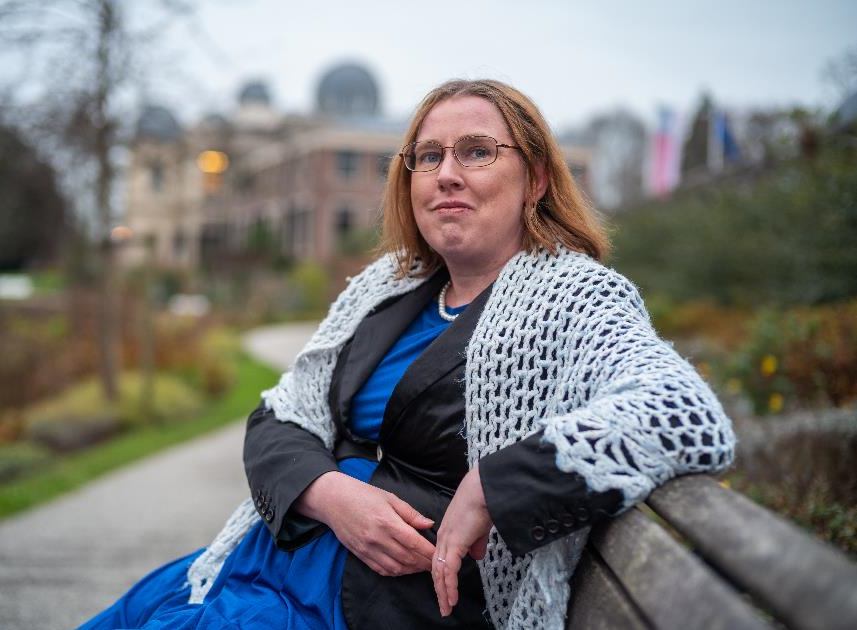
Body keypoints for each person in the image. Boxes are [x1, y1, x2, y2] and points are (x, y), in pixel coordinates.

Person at [80, 79, 735, 630]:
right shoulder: (386, 288)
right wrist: (330, 493)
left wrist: (497, 483)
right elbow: (276, 420)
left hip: (379, 608)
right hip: (268, 563)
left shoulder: (577, 297)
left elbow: (682, 412)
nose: (446, 174)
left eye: (476, 152)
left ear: (534, 178)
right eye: (427, 157)